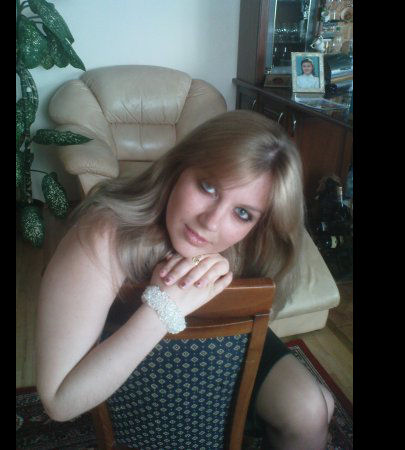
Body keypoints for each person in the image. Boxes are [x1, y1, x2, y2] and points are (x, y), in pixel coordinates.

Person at [36, 110, 334, 449]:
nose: (211, 222)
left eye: (242, 213)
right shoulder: (102, 233)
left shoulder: (252, 241)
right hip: (133, 352)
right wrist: (162, 307)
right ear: (179, 167)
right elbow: (58, 402)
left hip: (223, 347)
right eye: (208, 187)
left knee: (316, 409)